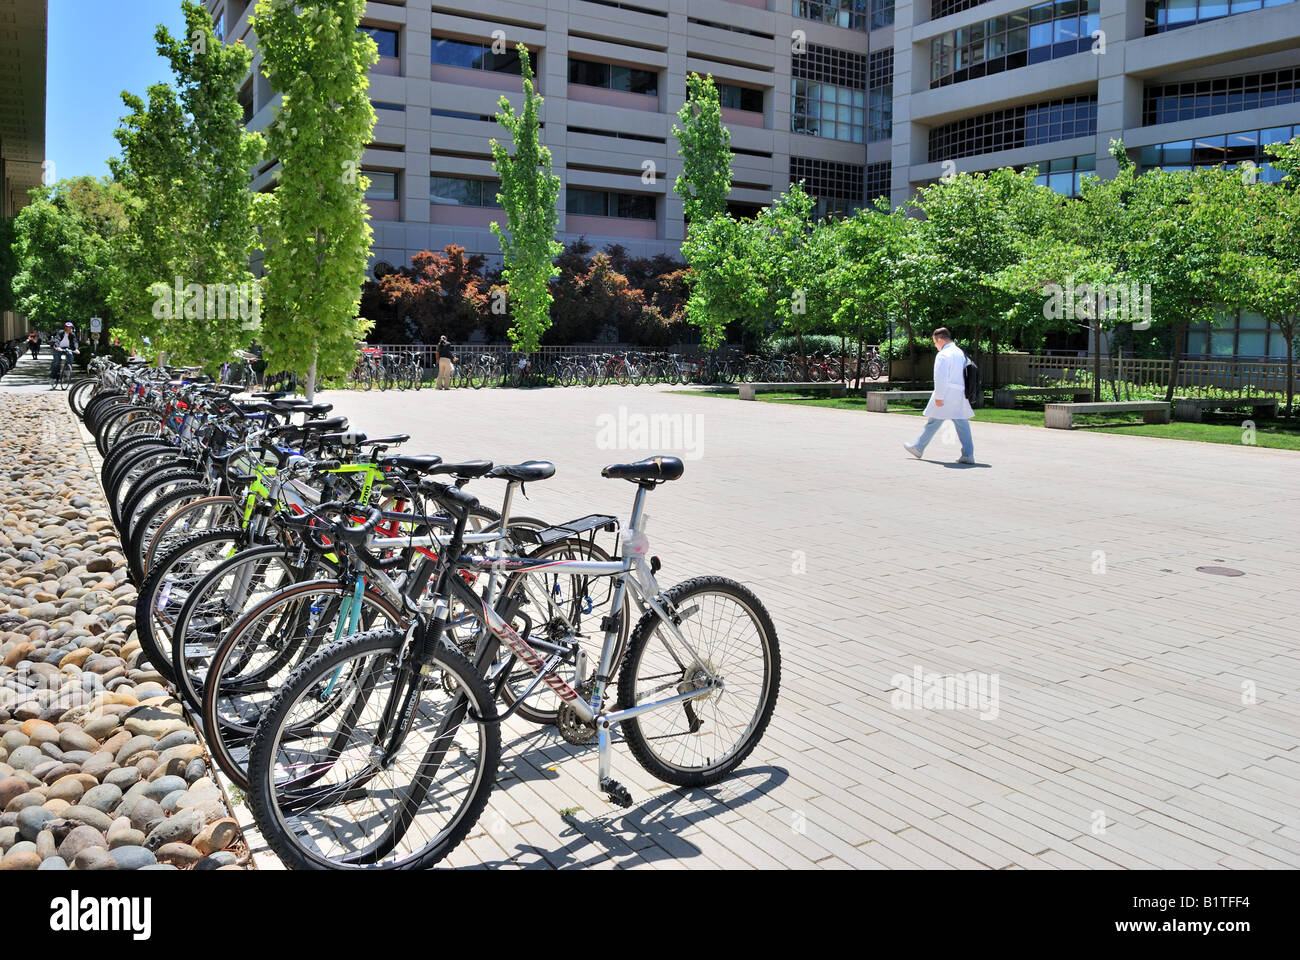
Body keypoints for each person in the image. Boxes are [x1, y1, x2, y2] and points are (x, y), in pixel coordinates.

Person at [903, 327, 976, 464]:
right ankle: (968, 454)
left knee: (934, 421)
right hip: (959, 393)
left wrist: (939, 396)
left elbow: (940, 377)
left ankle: (918, 447)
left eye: (935, 342)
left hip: (946, 393)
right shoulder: (959, 352)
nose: (935, 345)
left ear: (940, 339)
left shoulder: (943, 355)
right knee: (961, 422)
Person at [49, 322, 79, 388]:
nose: (69, 329)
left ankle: (67, 370)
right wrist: (57, 346)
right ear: (65, 327)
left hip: (67, 348)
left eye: (70, 327)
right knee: (57, 362)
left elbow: (75, 341)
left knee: (70, 356)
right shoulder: (61, 332)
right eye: (67, 327)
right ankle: (52, 378)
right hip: (58, 347)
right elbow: (57, 339)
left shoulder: (72, 334)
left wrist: (76, 349)